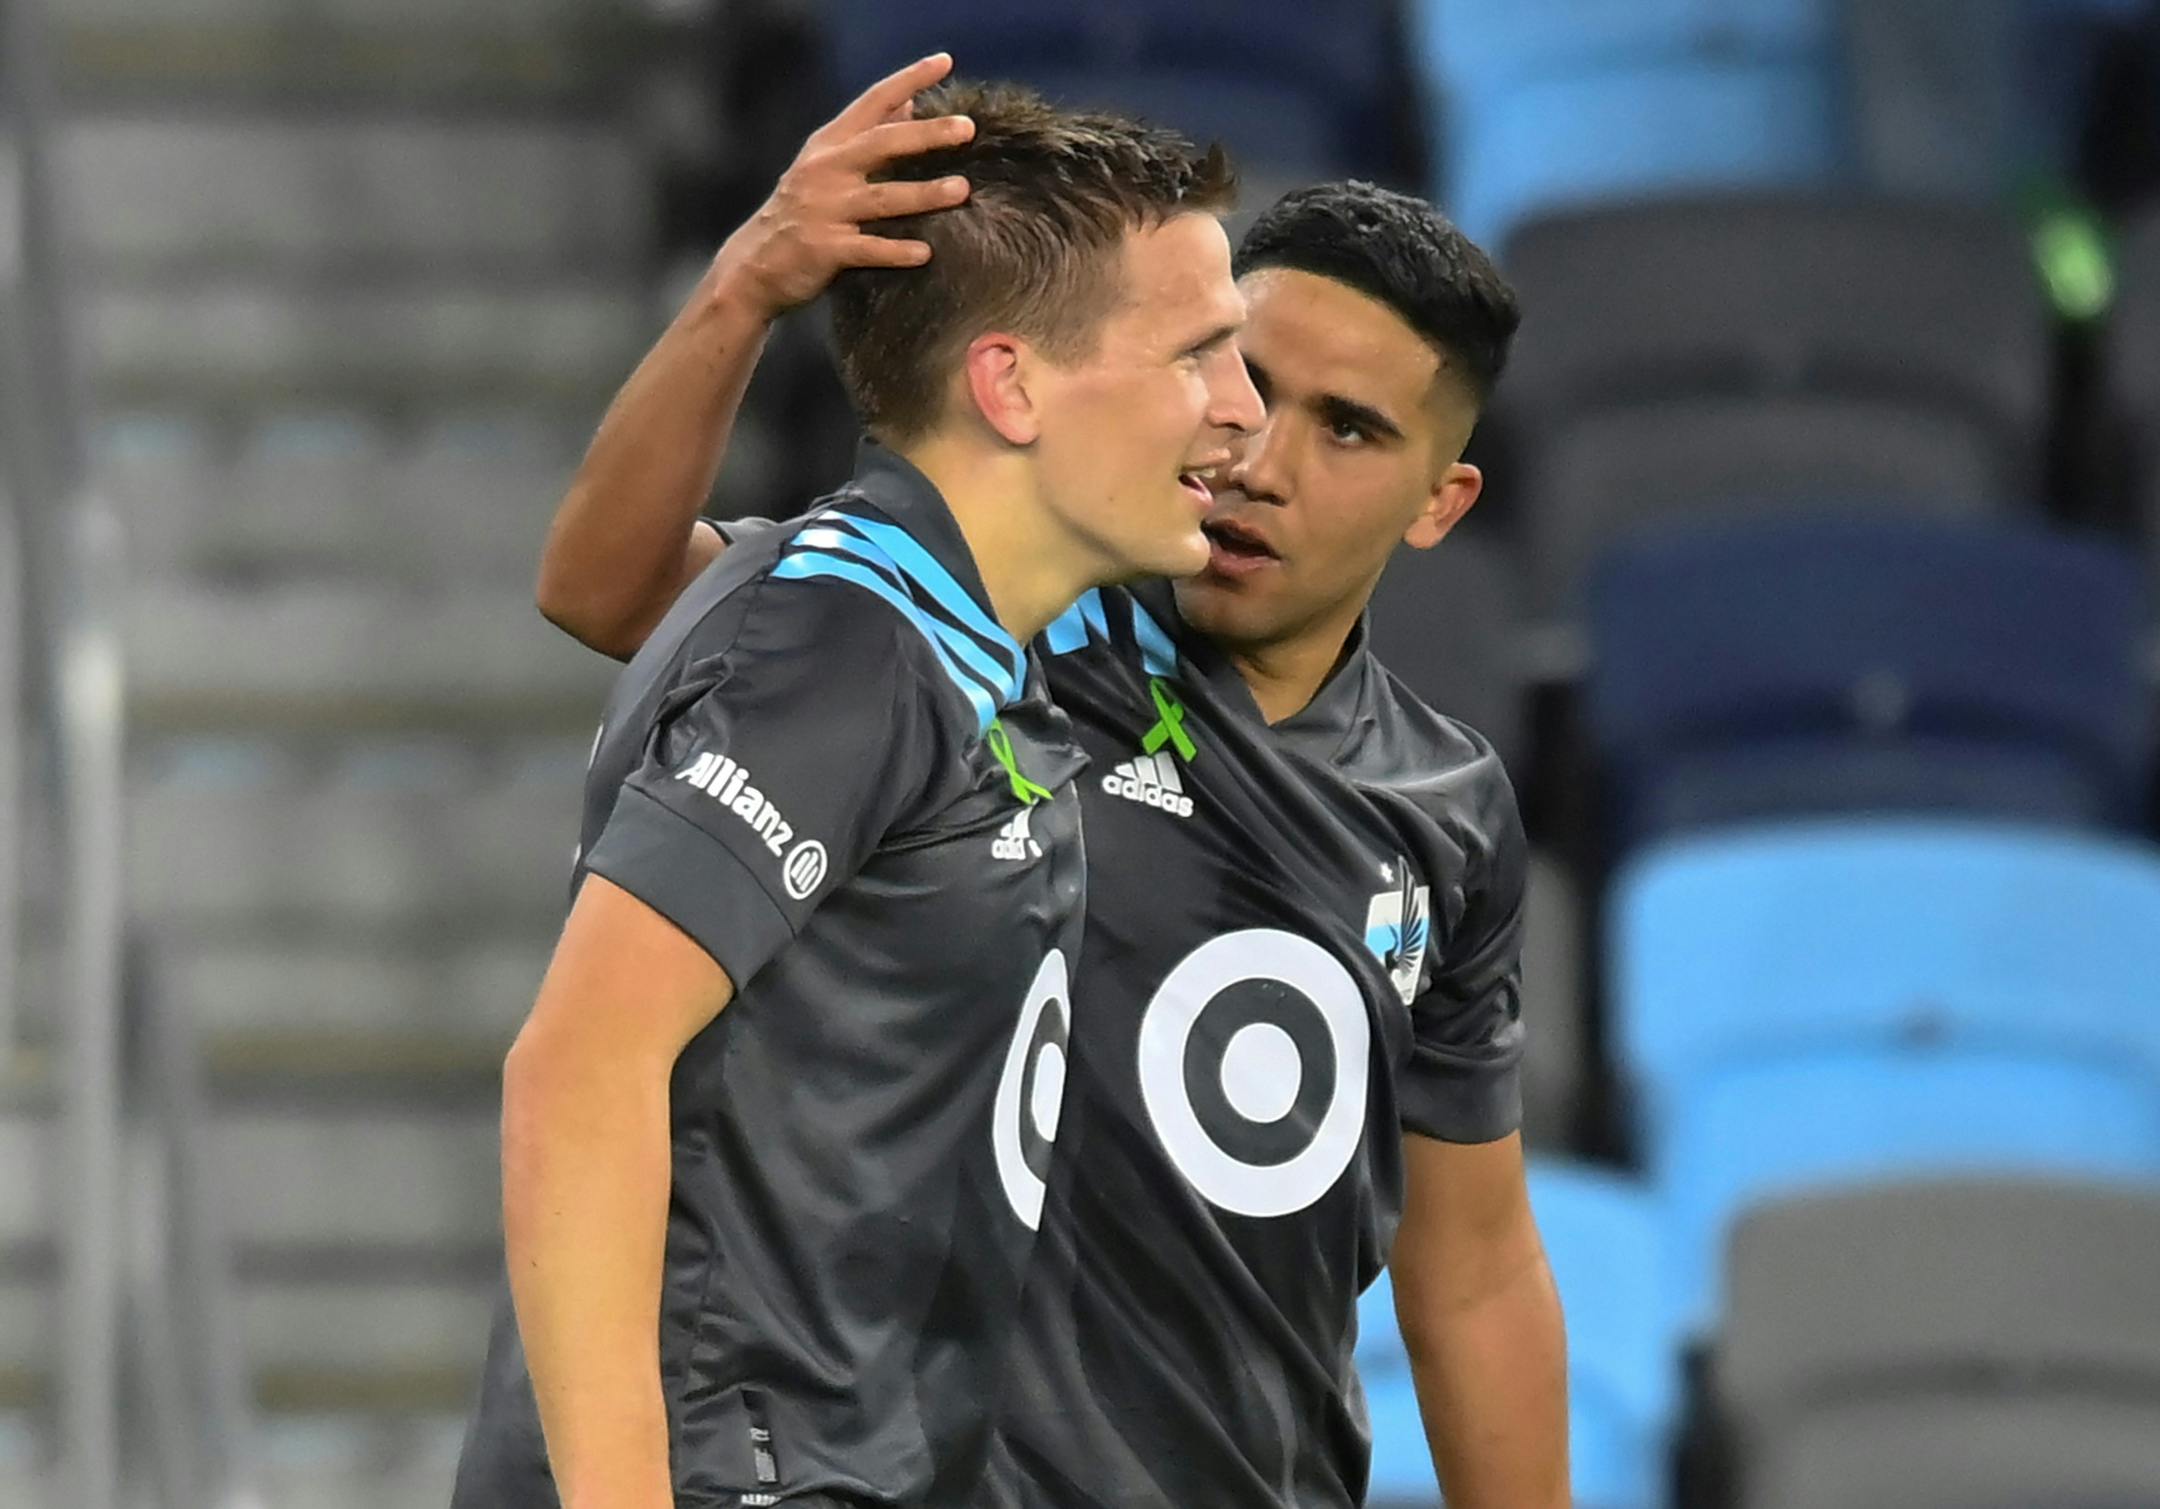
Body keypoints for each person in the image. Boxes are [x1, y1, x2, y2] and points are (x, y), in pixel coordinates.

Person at [536, 85, 1569, 1509]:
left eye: (1345, 429)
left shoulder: (1449, 813)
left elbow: (1476, 1268)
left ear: (1439, 503)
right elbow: (613, 591)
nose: (1253, 447)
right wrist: (742, 292)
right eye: (1235, 366)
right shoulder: (999, 614)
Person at [453, 58, 1262, 1509]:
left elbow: (602, 586)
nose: (1243, 410)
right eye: (1197, 354)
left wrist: (747, 285)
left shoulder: (908, 610)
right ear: (1010, 383)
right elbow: (576, 1071)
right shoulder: (847, 652)